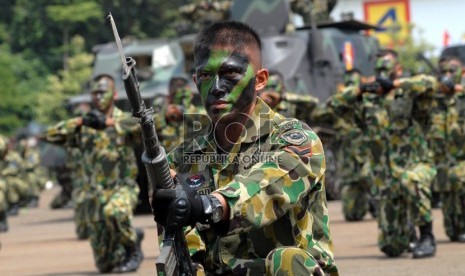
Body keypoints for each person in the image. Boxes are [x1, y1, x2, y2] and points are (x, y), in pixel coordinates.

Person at [152, 21, 338, 275]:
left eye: (230, 74)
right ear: (196, 81)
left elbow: (267, 187)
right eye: (206, 75)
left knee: (287, 258)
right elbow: (183, 247)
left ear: (260, 79)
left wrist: (210, 204)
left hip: (281, 271)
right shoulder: (182, 159)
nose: (216, 88)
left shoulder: (296, 140)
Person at [338, 49, 437, 258]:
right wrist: (359, 89)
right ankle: (406, 232)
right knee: (391, 247)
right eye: (380, 69)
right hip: (386, 175)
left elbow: (430, 83)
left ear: (398, 69)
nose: (383, 73)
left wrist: (396, 84)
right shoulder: (369, 100)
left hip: (414, 165)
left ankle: (427, 236)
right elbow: (335, 104)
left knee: (412, 181)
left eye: (388, 68)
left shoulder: (408, 92)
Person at [45, 74, 144, 273]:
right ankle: (129, 237)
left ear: (114, 94)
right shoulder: (85, 125)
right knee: (105, 265)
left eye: (103, 92)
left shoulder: (124, 120)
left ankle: (132, 248)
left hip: (121, 187)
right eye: (95, 93)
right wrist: (80, 121)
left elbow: (145, 125)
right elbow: (51, 135)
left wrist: (107, 124)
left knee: (115, 212)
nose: (99, 97)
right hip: (94, 195)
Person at [328, 69, 376, 221]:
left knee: (371, 178)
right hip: (350, 159)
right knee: (352, 214)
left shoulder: (371, 99)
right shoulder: (342, 101)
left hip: (370, 155)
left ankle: (376, 202)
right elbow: (333, 103)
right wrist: (356, 91)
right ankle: (363, 203)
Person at [427, 55, 465, 242]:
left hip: (462, 160)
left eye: (452, 71)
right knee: (448, 201)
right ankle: (455, 230)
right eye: (444, 72)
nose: (448, 75)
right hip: (442, 161)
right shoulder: (434, 100)